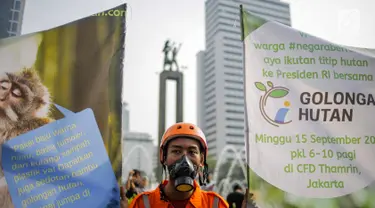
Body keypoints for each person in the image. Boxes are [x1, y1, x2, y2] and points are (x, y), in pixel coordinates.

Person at [127, 122, 229, 208]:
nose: (185, 160)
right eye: (176, 151)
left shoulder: (215, 204)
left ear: (201, 160)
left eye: (192, 152)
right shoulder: (143, 204)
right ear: (164, 157)